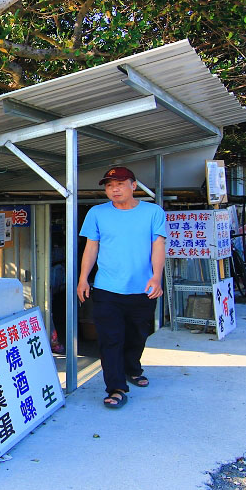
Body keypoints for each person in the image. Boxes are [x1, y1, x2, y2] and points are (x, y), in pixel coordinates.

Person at [76, 166, 167, 409]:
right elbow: (91, 247)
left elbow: (158, 245)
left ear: (133, 186)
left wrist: (157, 277)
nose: (114, 189)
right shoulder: (97, 213)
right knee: (110, 339)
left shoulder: (153, 212)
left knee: (138, 334)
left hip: (143, 288)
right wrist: (83, 278)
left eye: (119, 183)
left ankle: (132, 368)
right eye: (109, 185)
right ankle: (116, 387)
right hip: (107, 289)